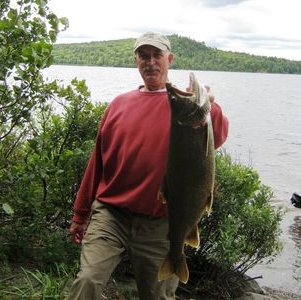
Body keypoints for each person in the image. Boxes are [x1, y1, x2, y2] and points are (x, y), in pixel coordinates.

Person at [68, 32, 229, 300]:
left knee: (157, 296)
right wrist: (80, 213)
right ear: (136, 61)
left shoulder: (185, 103)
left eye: (157, 55)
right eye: (144, 56)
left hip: (160, 224)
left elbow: (218, 136)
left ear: (170, 59)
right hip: (111, 215)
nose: (151, 62)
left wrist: (210, 107)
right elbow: (97, 162)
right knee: (87, 282)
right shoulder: (118, 105)